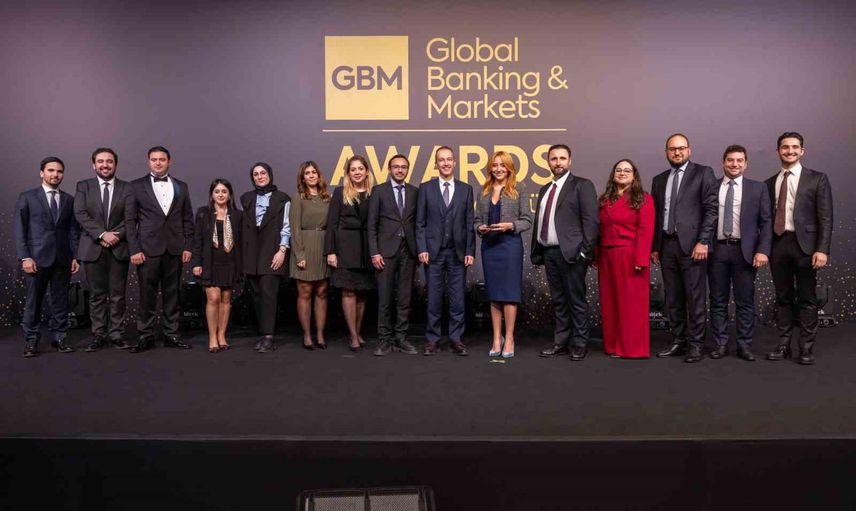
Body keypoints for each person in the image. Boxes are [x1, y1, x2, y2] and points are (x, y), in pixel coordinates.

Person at [766, 132, 832, 365]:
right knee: (783, 297)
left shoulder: (817, 179)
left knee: (807, 298)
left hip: (806, 247)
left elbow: (825, 217)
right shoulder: (769, 183)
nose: (790, 151)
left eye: (795, 147)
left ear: (802, 151)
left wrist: (822, 249)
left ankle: (806, 348)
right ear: (778, 151)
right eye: (785, 147)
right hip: (778, 244)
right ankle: (784, 346)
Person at [650, 133, 718, 363]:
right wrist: (655, 246)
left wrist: (703, 241)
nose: (677, 152)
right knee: (673, 297)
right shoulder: (659, 180)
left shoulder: (703, 173)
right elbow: (657, 216)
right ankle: (678, 340)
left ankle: (696, 344)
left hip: (693, 246)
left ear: (689, 150)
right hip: (667, 246)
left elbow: (711, 210)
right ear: (666, 153)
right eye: (672, 149)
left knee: (695, 297)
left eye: (681, 148)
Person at [531, 144, 598, 361]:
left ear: (570, 161)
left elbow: (591, 222)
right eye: (553, 159)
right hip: (549, 253)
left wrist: (585, 253)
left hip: (572, 254)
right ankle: (560, 342)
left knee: (576, 301)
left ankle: (579, 344)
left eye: (562, 158)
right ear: (548, 162)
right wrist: (538, 252)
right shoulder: (545, 189)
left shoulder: (582, 185)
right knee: (558, 301)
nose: (558, 162)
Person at [707, 145, 772, 362]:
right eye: (730, 160)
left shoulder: (758, 188)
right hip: (716, 250)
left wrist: (762, 250)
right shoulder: (711, 187)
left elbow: (766, 221)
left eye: (739, 160)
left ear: (746, 164)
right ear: (723, 162)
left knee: (745, 301)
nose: (734, 164)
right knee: (717, 300)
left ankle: (744, 345)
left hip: (745, 252)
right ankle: (720, 344)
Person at [127, 146, 194, 353]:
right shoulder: (136, 186)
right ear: (149, 161)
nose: (158, 163)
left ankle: (172, 334)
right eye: (154, 159)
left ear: (169, 162)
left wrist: (188, 246)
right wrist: (134, 249)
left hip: (174, 248)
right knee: (146, 295)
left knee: (172, 295)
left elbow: (187, 219)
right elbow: (130, 221)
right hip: (147, 250)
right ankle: (145, 336)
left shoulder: (182, 186)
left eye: (162, 159)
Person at [15, 156, 81, 357]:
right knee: (33, 302)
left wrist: (75, 256)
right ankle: (31, 341)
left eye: (59, 171)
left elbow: (73, 231)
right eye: (51, 170)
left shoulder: (69, 200)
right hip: (35, 259)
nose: (55, 174)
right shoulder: (27, 197)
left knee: (61, 301)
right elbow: (20, 229)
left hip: (62, 259)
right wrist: (25, 257)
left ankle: (59, 338)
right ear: (41, 173)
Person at [73, 147, 135, 352]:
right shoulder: (83, 186)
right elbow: (80, 214)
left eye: (109, 161)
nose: (105, 165)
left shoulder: (127, 188)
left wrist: (115, 236)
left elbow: (131, 218)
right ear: (94, 165)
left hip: (119, 247)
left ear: (115, 164)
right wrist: (102, 234)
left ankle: (116, 334)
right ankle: (98, 334)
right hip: (93, 248)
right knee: (96, 295)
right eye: (100, 161)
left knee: (118, 295)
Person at [416, 146, 475, 356]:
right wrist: (422, 248)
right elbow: (420, 223)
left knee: (458, 299)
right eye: (441, 160)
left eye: (449, 159)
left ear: (455, 162)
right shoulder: (426, 188)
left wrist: (470, 250)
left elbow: (469, 223)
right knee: (433, 298)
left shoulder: (466, 189)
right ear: (436, 164)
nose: (446, 163)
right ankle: (432, 339)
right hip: (433, 253)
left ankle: (456, 338)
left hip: (458, 253)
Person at [474, 150, 531, 358]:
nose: (498, 169)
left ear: (509, 168)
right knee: (494, 294)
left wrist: (510, 225)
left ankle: (510, 338)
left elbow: (527, 219)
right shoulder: (484, 190)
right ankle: (496, 338)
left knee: (509, 294)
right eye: (495, 165)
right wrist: (480, 228)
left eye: (502, 165)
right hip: (490, 247)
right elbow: (476, 220)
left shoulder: (519, 188)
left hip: (510, 246)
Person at [596, 159, 655, 359]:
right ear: (613, 174)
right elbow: (598, 229)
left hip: (630, 255)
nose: (622, 173)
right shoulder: (605, 199)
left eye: (627, 170)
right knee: (610, 303)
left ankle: (632, 349)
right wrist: (595, 255)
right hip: (606, 255)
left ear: (634, 175)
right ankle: (613, 345)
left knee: (632, 305)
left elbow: (646, 230)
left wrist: (641, 259)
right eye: (618, 170)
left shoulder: (643, 198)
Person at [368, 154, 419, 356]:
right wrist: (374, 252)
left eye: (403, 167)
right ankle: (384, 340)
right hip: (385, 252)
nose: (400, 170)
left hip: (409, 251)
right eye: (396, 167)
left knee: (405, 298)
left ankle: (401, 338)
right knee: (385, 298)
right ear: (389, 169)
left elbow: (418, 223)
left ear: (408, 169)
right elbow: (372, 225)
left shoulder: (415, 192)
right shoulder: (379, 191)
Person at [325, 155, 376, 351]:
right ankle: (353, 335)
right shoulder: (340, 192)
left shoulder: (374, 192)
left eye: (360, 169)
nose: (357, 172)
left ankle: (358, 331)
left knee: (362, 292)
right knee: (348, 290)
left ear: (366, 171)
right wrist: (331, 251)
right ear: (348, 173)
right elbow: (332, 224)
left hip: (366, 248)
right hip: (345, 248)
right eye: (353, 169)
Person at [240, 162, 291, 354]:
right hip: (251, 253)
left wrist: (282, 250)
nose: (260, 176)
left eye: (263, 173)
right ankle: (262, 334)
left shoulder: (282, 198)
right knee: (256, 295)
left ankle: (269, 336)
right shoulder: (246, 198)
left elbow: (286, 226)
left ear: (270, 175)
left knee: (269, 294)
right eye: (256, 174)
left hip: (272, 251)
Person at [192, 179, 242, 353]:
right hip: (210, 262)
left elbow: (241, 242)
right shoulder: (203, 213)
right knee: (213, 299)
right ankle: (212, 336)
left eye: (224, 191)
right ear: (212, 195)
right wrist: (196, 263)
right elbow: (197, 240)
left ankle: (222, 335)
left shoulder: (237, 215)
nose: (221, 195)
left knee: (226, 300)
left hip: (230, 262)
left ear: (229, 195)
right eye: (217, 191)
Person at [290, 161, 332, 350]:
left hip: (323, 246)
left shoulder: (327, 198)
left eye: (314, 172)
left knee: (322, 292)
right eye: (307, 173)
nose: (311, 175)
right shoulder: (298, 198)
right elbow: (295, 228)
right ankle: (307, 335)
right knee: (305, 292)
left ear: (318, 175)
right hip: (304, 247)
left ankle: (320, 335)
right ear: (303, 178)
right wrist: (299, 254)